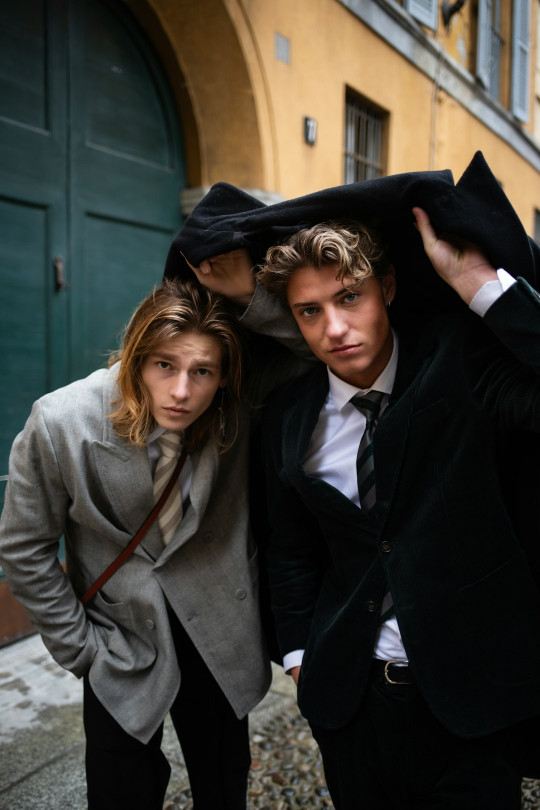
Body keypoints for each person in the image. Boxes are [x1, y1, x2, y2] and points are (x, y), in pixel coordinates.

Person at [167, 153, 540, 808]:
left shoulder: (463, 362)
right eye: (309, 312)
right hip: (351, 705)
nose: (334, 329)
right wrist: (302, 655)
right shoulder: (288, 414)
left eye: (349, 298)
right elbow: (290, 548)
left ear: (386, 289)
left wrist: (480, 285)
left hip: (473, 701)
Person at [0, 277, 271, 810]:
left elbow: (312, 353)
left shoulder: (236, 409)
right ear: (134, 359)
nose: (181, 392)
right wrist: (82, 650)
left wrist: (248, 292)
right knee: (122, 790)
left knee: (223, 784)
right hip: (118, 638)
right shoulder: (61, 423)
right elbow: (23, 548)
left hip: (218, 627)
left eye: (202, 372)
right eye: (164, 365)